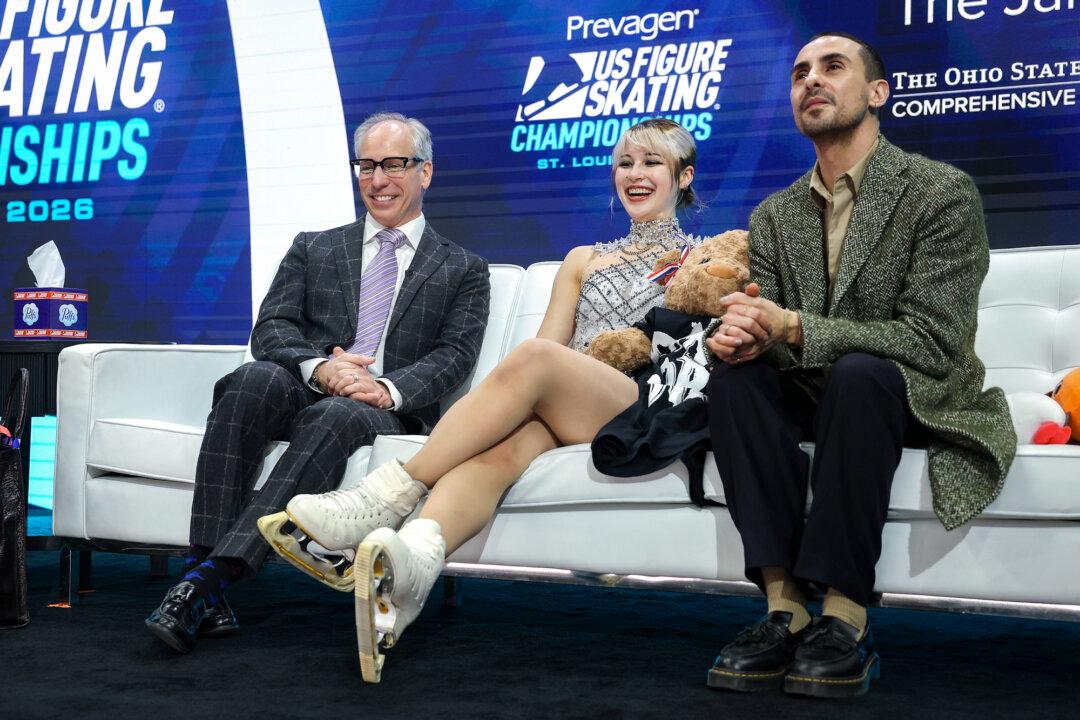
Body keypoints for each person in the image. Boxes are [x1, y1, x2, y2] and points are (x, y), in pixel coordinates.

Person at [260, 118, 708, 682]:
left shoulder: (708, 257)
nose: (635, 175)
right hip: (572, 401)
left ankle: (387, 495)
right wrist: (524, 396)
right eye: (626, 163)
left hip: (646, 401)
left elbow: (692, 354)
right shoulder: (582, 259)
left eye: (652, 164)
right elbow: (551, 346)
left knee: (531, 360)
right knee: (493, 453)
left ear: (682, 176)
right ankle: (413, 568)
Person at [702, 33, 1016, 698]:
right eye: (799, 74)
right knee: (735, 380)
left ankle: (844, 618)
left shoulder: (940, 191)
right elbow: (785, 338)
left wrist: (794, 327)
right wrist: (749, 335)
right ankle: (783, 610)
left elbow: (935, 341)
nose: (811, 81)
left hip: (913, 395)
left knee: (861, 371)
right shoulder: (774, 214)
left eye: (832, 68)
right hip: (818, 389)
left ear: (877, 94)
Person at [144, 112, 491, 654]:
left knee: (336, 414)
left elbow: (455, 354)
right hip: (308, 382)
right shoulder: (316, 246)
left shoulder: (463, 268)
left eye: (394, 165)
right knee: (250, 380)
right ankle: (201, 571)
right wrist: (321, 367)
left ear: (426, 172)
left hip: (383, 403)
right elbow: (273, 327)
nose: (378, 180)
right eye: (367, 166)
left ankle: (206, 581)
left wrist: (386, 389)